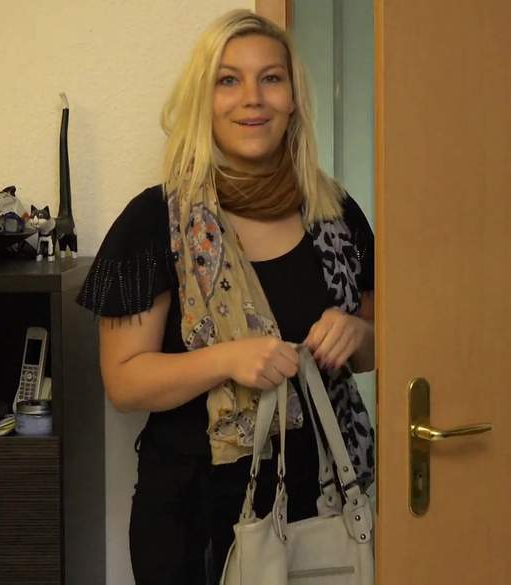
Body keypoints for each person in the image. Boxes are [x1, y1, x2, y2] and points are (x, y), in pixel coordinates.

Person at [76, 10, 375, 584]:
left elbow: (381, 347)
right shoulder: (154, 222)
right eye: (229, 80)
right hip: (192, 521)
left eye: (272, 78)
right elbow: (124, 382)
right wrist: (227, 360)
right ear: (204, 100)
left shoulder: (335, 213)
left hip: (324, 511)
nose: (252, 98)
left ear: (293, 98)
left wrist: (359, 334)